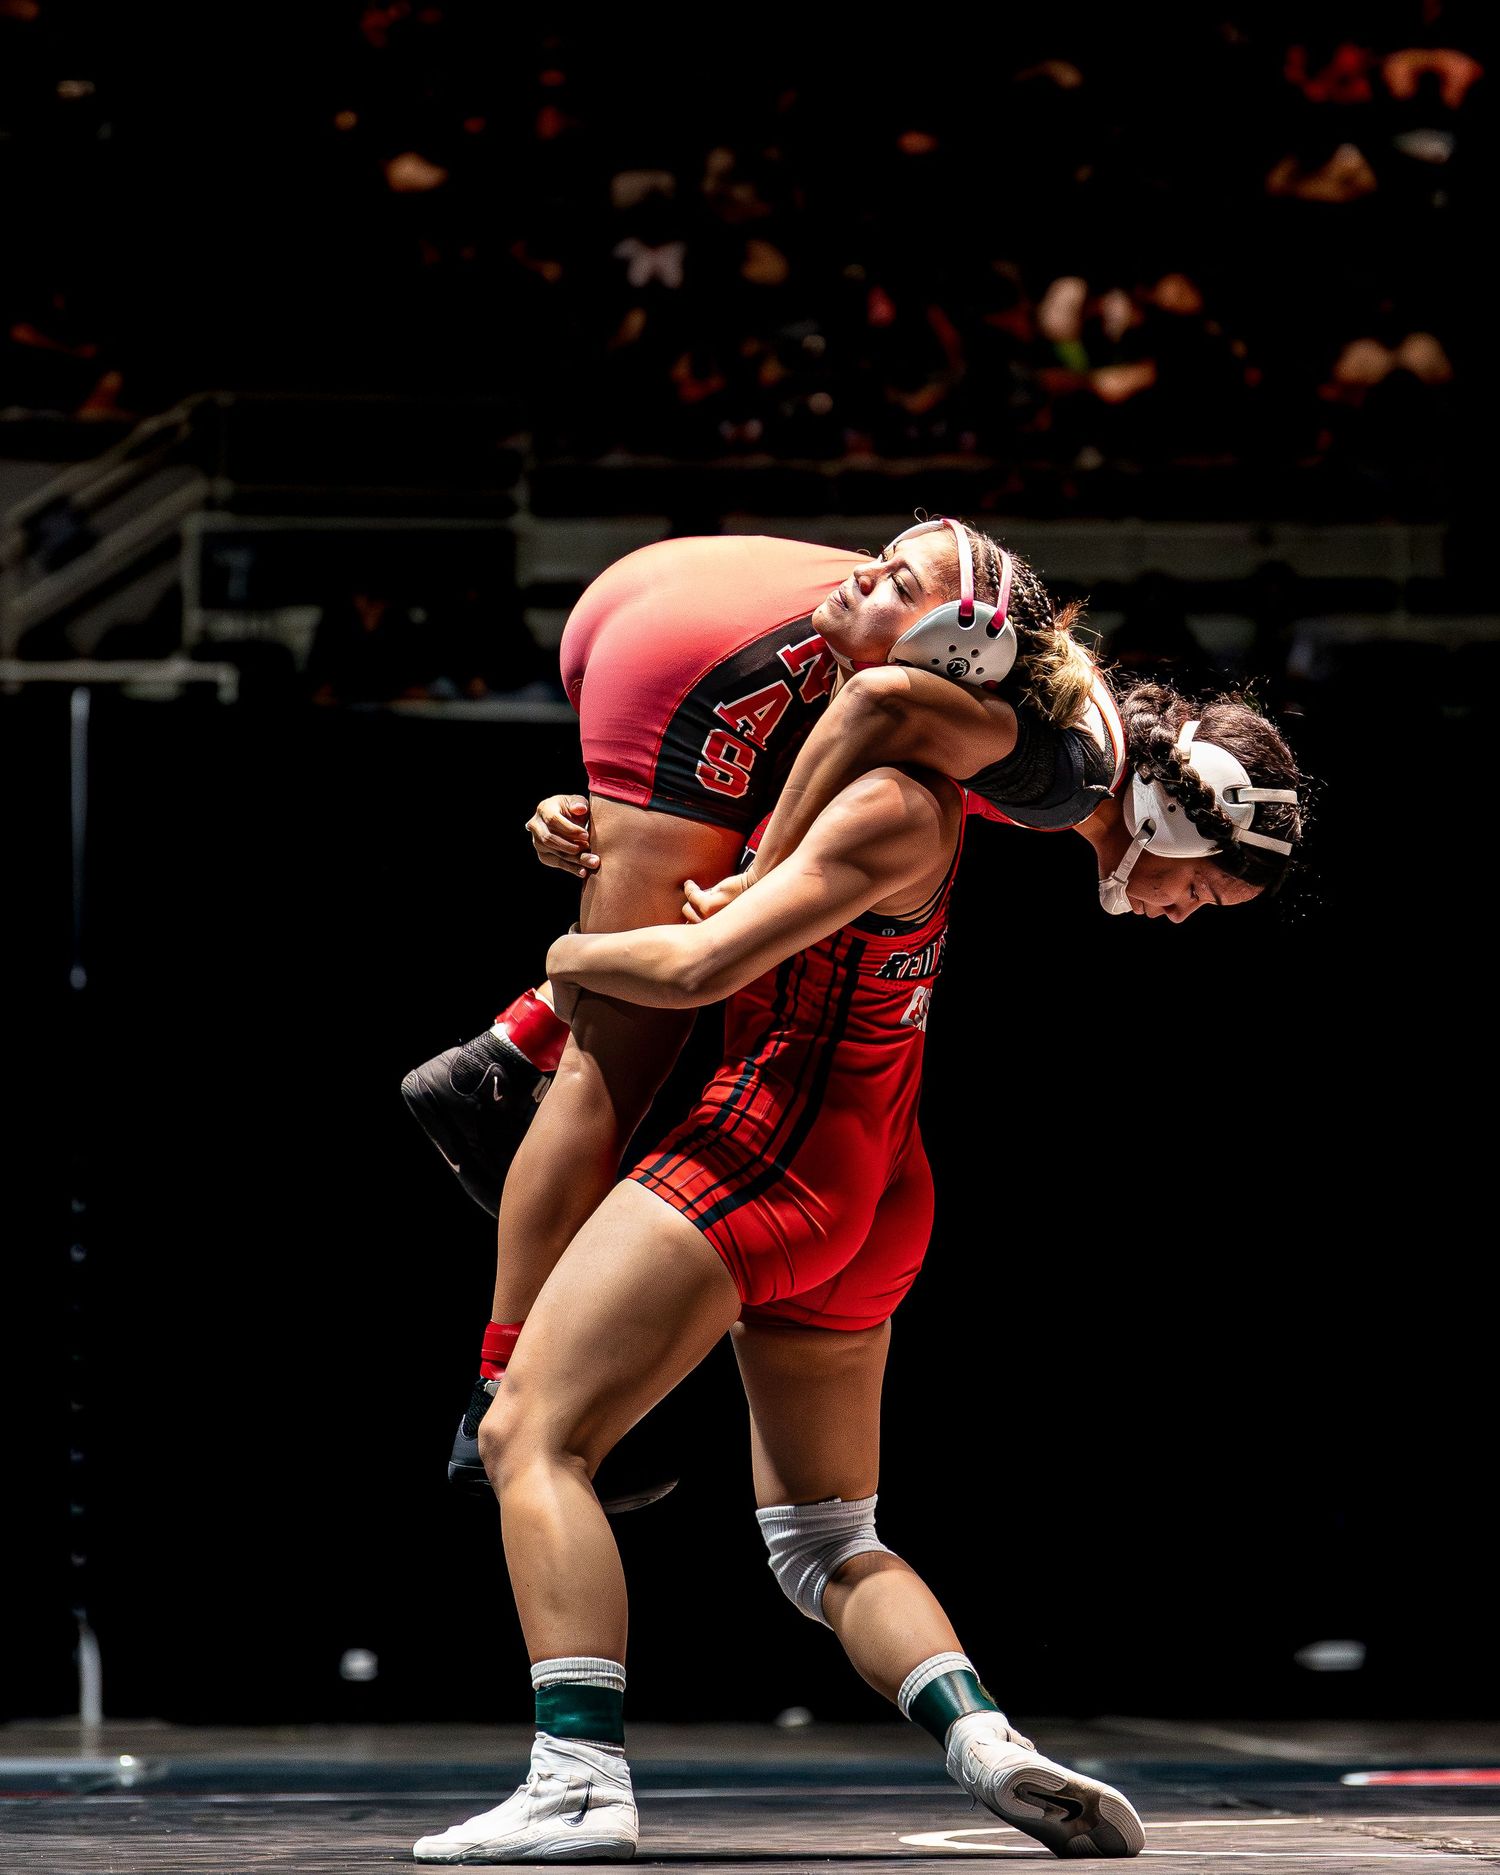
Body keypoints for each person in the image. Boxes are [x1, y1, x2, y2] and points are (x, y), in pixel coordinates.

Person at [409, 679, 1304, 1865]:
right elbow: (776, 794)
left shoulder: (896, 797)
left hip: (774, 1148)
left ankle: (577, 1780)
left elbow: (691, 968)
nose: (1180, 915)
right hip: (873, 1182)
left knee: (531, 1434)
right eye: (1198, 889)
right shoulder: (980, 796)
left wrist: (557, 965)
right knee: (825, 1538)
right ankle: (985, 1741)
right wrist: (600, 825)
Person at [401, 520, 1120, 1491]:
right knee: (618, 1056)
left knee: (678, 950)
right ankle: (501, 1393)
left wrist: (627, 816)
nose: (1173, 918)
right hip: (699, 660)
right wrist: (745, 878)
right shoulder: (1066, 773)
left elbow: (849, 734)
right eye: (1199, 897)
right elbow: (876, 698)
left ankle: (517, 1034)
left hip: (675, 620)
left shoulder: (1031, 721)